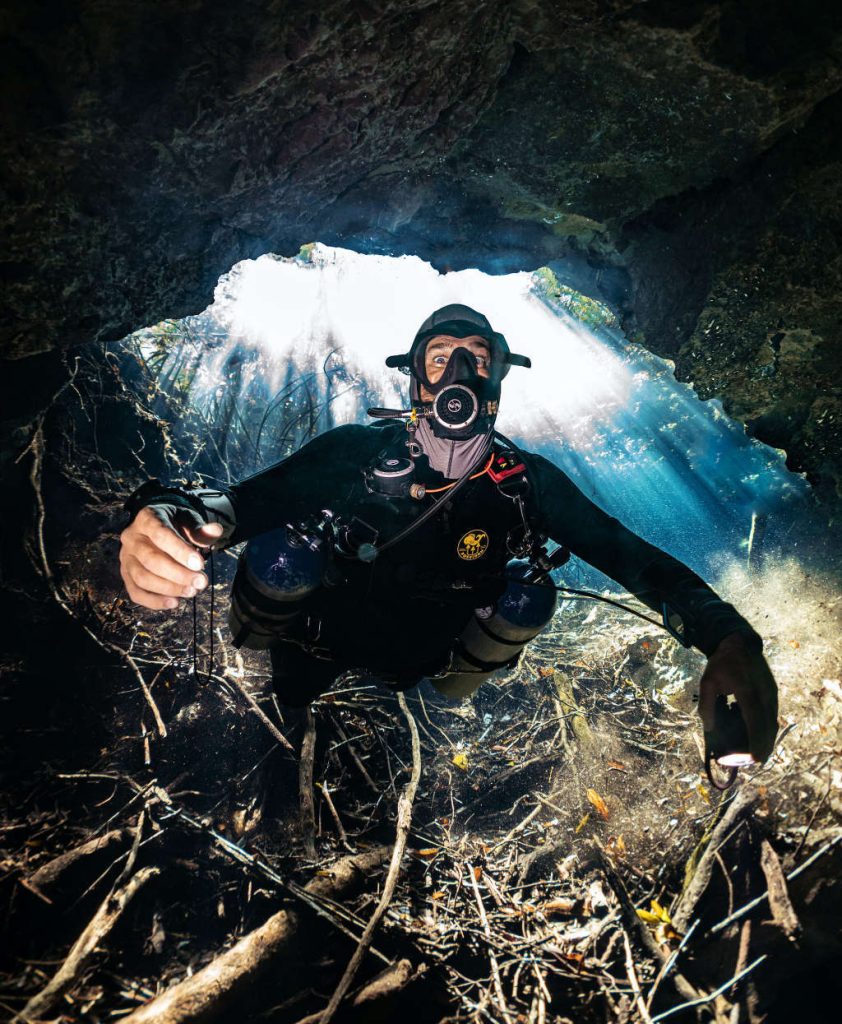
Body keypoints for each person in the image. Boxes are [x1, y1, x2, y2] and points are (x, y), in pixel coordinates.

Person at [119, 305, 778, 767]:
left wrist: (726, 636)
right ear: (416, 378)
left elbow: (627, 556)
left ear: (496, 379)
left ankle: (407, 735)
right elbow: (237, 507)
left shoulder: (525, 485)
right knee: (287, 638)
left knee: (528, 596)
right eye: (441, 358)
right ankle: (284, 729)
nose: (458, 372)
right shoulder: (358, 453)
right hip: (316, 644)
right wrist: (162, 515)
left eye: (476, 358)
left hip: (423, 660)